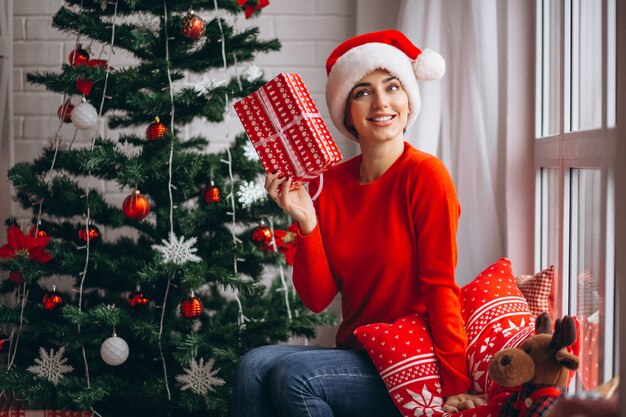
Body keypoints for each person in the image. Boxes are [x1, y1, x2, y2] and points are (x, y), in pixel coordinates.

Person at [230, 30, 485, 417]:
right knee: (252, 366)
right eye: (363, 92)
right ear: (346, 112)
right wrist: (306, 220)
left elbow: (440, 287)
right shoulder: (330, 183)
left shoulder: (426, 176)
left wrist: (456, 385)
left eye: (393, 87)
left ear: (408, 100)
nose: (381, 103)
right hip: (359, 354)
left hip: (412, 360)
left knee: (294, 376)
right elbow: (317, 300)